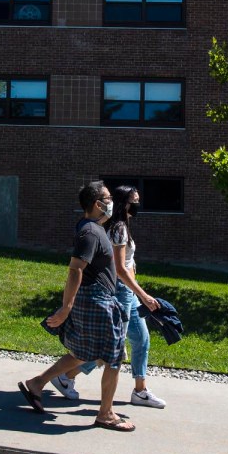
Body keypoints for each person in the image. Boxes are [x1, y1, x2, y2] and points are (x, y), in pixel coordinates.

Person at [18, 181, 135, 431]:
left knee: (83, 352)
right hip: (97, 301)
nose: (111, 201)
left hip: (96, 299)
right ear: (97, 204)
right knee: (113, 359)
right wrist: (65, 308)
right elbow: (75, 269)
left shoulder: (92, 227)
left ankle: (37, 383)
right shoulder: (91, 232)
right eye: (107, 198)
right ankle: (106, 414)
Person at [50, 184, 165, 408]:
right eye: (134, 201)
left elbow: (127, 264)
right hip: (122, 292)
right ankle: (66, 378)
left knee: (140, 340)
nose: (138, 205)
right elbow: (118, 269)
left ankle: (139, 390)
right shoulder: (115, 228)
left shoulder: (119, 226)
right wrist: (143, 294)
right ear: (124, 203)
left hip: (128, 292)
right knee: (111, 350)